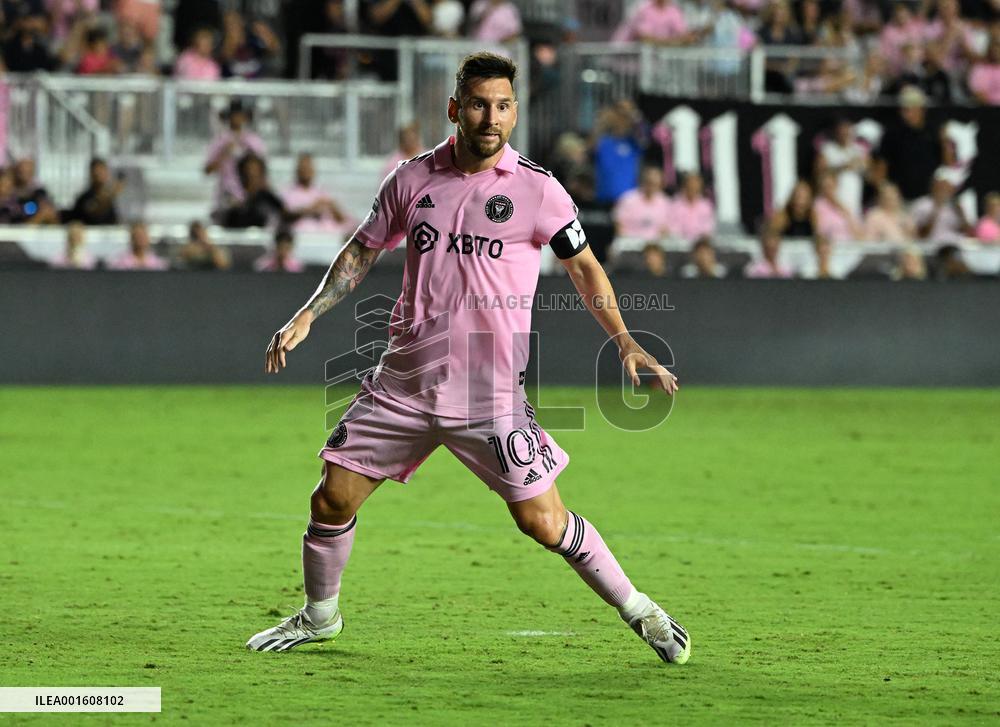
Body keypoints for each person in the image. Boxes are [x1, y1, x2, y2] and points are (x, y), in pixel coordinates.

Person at [246, 52, 691, 664]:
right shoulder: (410, 180)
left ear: (515, 111)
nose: (492, 118)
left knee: (542, 521)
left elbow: (584, 268)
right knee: (331, 498)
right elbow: (361, 251)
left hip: (489, 393)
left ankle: (641, 611)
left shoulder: (538, 190)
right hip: (404, 381)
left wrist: (625, 340)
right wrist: (308, 312)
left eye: (504, 106)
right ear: (456, 109)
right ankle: (320, 617)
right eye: (479, 104)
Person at [877, 86, 941, 203]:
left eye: (909, 109)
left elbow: (943, 165)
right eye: (903, 110)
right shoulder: (892, 133)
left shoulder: (933, 132)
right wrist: (887, 194)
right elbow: (882, 167)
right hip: (900, 201)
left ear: (921, 110)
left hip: (927, 200)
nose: (905, 114)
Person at [204, 99, 267, 215]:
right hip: (227, 191)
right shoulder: (220, 140)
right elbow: (208, 170)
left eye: (240, 114)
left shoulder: (253, 140)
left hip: (250, 193)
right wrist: (224, 153)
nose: (237, 118)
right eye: (234, 115)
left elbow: (262, 168)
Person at [282, 153, 352, 233]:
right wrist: (310, 209)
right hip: (299, 237)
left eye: (309, 167)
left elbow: (343, 219)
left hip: (323, 237)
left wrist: (332, 206)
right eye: (303, 168)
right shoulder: (288, 192)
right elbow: (285, 215)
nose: (306, 171)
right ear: (297, 170)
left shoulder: (322, 192)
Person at [220, 153, 286, 228]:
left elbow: (281, 214)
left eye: (256, 170)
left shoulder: (268, 197)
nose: (252, 174)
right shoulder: (233, 194)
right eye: (249, 170)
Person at [611, 166, 671, 241]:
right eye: (649, 182)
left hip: (655, 245)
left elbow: (667, 228)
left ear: (660, 184)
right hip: (630, 242)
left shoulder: (666, 202)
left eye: (654, 184)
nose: (651, 186)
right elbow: (618, 224)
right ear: (643, 182)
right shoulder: (628, 199)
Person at [911, 175, 972, 243]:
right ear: (933, 188)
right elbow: (921, 234)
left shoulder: (955, 206)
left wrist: (961, 214)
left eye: (948, 188)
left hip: (954, 242)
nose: (944, 191)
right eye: (941, 188)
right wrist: (936, 208)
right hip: (931, 243)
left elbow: (968, 232)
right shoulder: (921, 204)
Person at [65, 158, 123, 225]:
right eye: (96, 172)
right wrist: (109, 196)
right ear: (91, 174)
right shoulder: (84, 198)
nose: (99, 175)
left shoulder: (115, 195)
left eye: (102, 171)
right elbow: (93, 211)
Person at [612, 0, 696, 45]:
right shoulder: (642, 6)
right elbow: (645, 38)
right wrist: (674, 42)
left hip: (650, 66)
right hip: (622, 62)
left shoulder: (673, 10)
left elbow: (685, 35)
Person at [813, 170, 863, 243]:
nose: (828, 190)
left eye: (830, 186)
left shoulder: (844, 203)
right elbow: (819, 230)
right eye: (825, 187)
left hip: (849, 244)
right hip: (830, 244)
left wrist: (839, 205)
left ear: (836, 185)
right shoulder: (817, 204)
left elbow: (857, 230)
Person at [670, 171, 716, 243]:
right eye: (690, 186)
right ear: (685, 186)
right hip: (679, 244)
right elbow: (672, 228)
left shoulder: (706, 206)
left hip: (700, 243)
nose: (693, 189)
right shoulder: (675, 204)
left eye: (696, 187)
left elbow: (708, 228)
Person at [11, 157, 59, 225]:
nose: (24, 173)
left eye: (28, 171)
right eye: (21, 171)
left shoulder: (39, 193)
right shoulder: (8, 193)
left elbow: (51, 215)